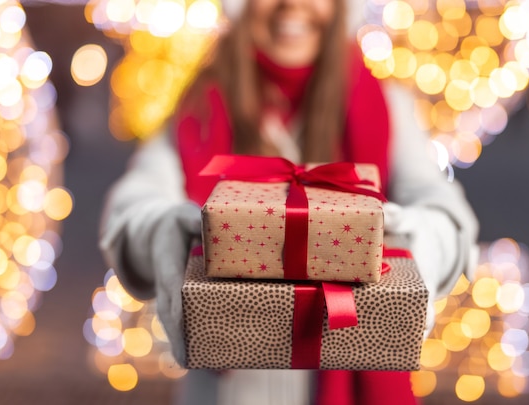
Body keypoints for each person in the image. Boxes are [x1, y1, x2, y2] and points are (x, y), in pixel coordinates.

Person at [99, 0, 479, 404]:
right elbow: (129, 208)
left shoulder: (386, 105)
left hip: (347, 380)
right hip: (226, 390)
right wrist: (173, 234)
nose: (292, 5)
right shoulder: (200, 106)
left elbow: (449, 215)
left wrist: (402, 244)